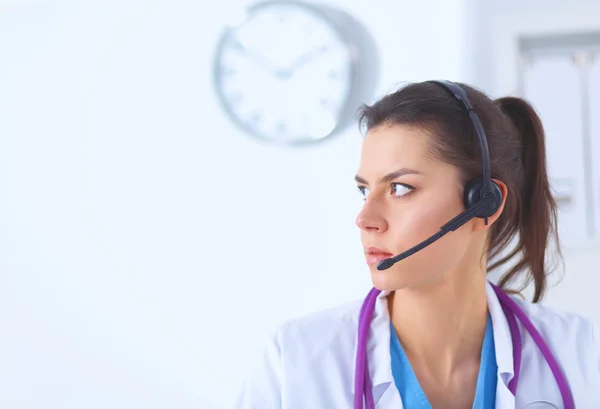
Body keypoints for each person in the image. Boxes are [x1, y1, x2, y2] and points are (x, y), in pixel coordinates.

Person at [234, 81, 600, 409]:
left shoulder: (580, 353)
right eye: (365, 190)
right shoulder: (295, 362)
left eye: (399, 188)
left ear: (484, 202)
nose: (365, 219)